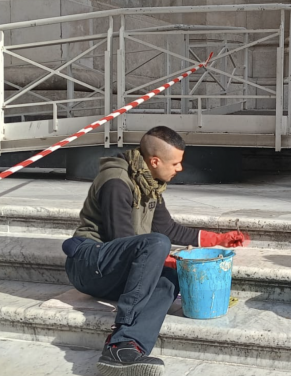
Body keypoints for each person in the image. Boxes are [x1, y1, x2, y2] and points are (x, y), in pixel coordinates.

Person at [61, 126, 247, 376]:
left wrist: (217, 239)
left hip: (116, 269)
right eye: (176, 163)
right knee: (158, 245)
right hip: (89, 263)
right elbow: (124, 240)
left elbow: (167, 228)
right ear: (155, 160)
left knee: (171, 279)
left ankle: (125, 345)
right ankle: (125, 322)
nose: (179, 169)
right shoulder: (116, 181)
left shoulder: (149, 182)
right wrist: (175, 259)